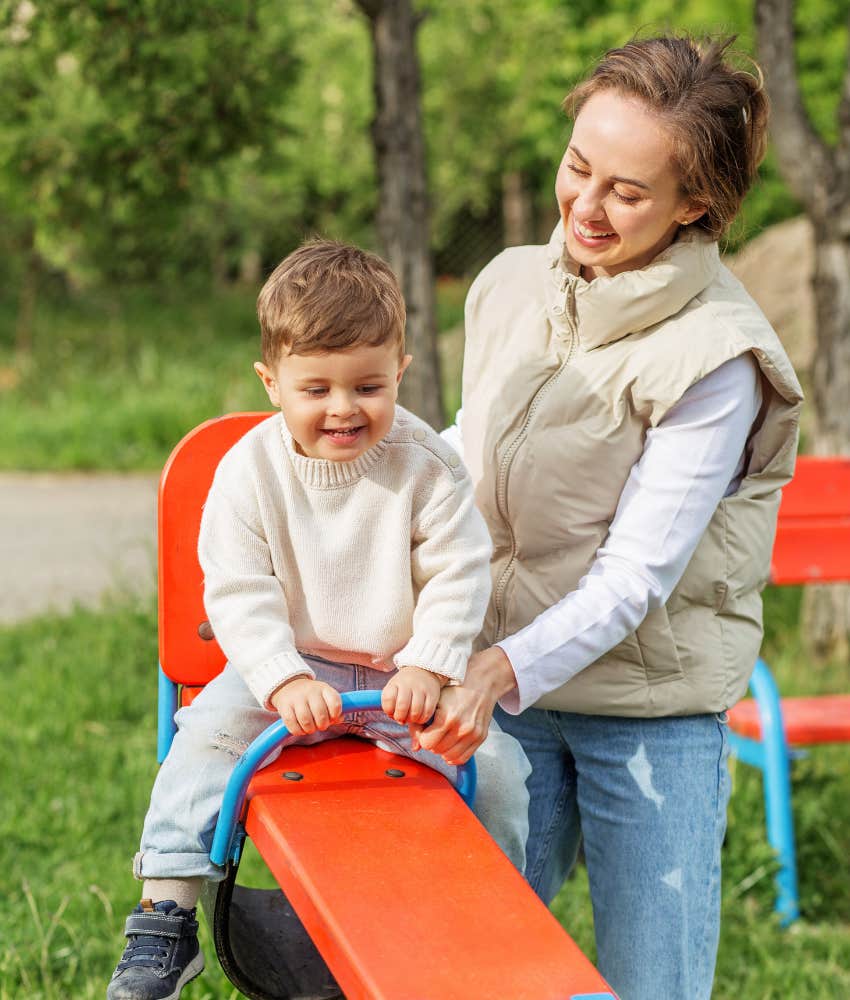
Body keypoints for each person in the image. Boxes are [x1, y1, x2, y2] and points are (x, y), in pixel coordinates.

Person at [420, 34, 804, 1000]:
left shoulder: (716, 355)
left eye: (627, 192)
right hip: (512, 692)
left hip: (648, 710)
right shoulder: (510, 282)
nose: (585, 207)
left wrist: (495, 667)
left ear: (696, 206)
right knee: (480, 972)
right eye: (578, 168)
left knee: (652, 984)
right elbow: (473, 440)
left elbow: (637, 574)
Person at [106, 239, 530, 1000]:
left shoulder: (425, 464)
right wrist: (280, 676)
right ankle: (165, 919)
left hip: (404, 677)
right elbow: (237, 589)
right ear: (273, 383)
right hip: (292, 668)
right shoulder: (249, 471)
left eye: (368, 385)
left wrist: (430, 663)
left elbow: (461, 570)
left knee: (500, 771)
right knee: (199, 747)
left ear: (399, 370)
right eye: (317, 389)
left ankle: (484, 917)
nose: (344, 408)